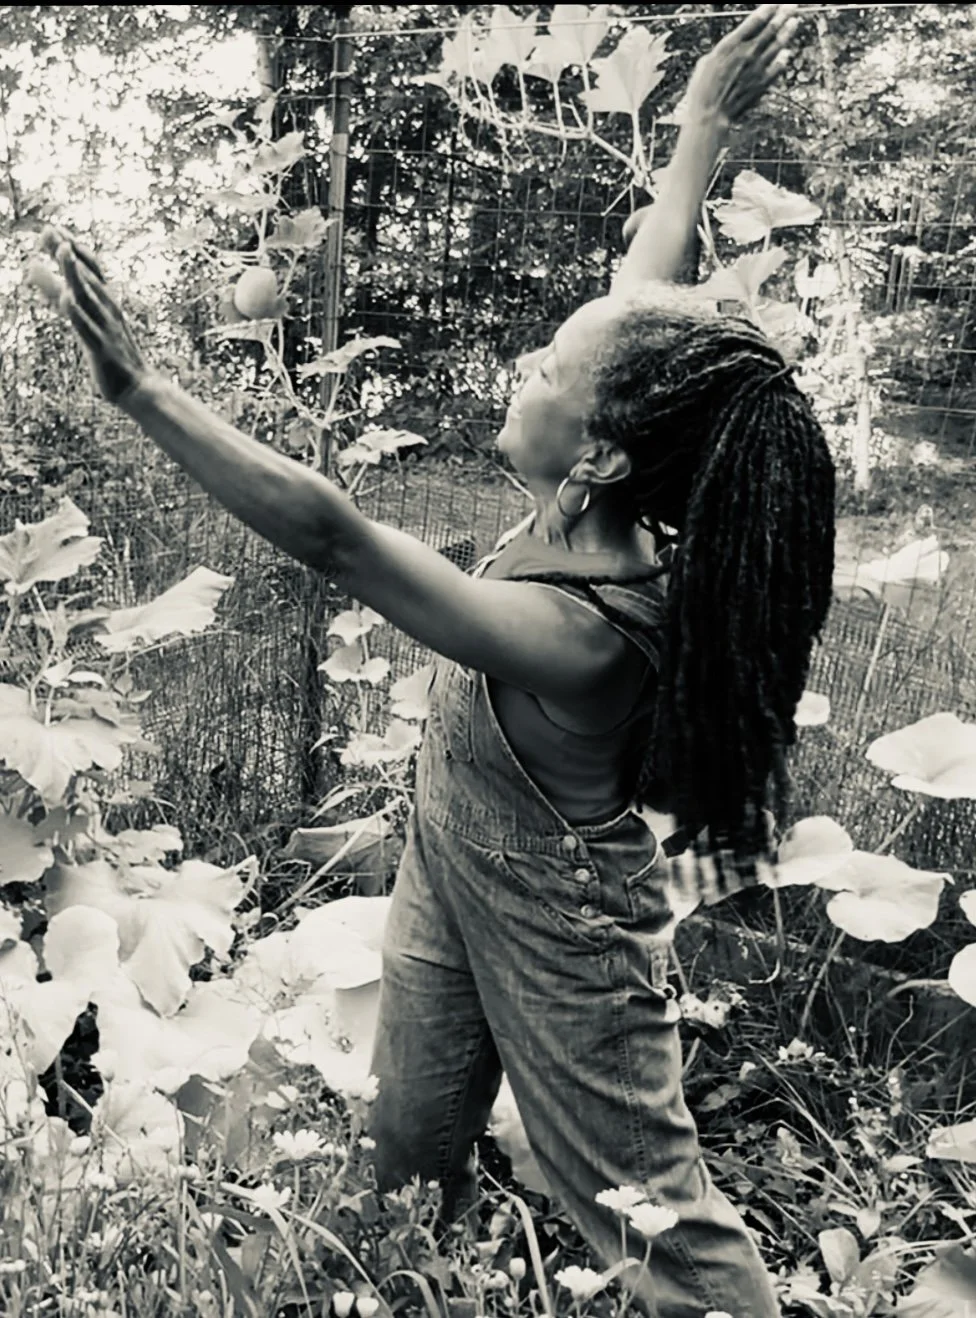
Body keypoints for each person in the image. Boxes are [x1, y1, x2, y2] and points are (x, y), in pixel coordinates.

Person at [40, 6, 836, 1313]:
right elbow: (640, 287)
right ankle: (410, 1283)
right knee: (410, 1145)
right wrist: (698, 121)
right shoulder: (597, 490)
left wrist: (147, 394)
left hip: (567, 928)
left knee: (650, 1218)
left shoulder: (587, 628)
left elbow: (336, 538)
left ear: (597, 454)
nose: (527, 362)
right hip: (451, 862)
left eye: (545, 368)